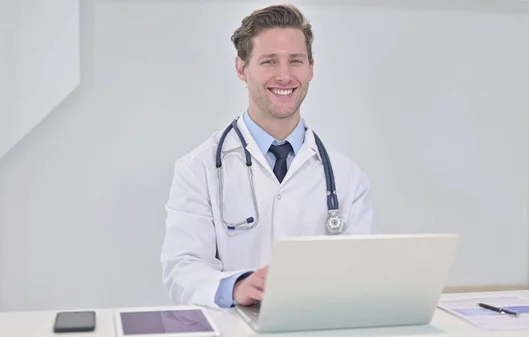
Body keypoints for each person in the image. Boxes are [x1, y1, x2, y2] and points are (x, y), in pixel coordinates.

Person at [160, 4, 375, 309]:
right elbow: (181, 269)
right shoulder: (198, 169)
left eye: (296, 61)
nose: (284, 75)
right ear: (242, 68)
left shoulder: (346, 175)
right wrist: (235, 286)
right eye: (269, 61)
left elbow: (365, 271)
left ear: (311, 69)